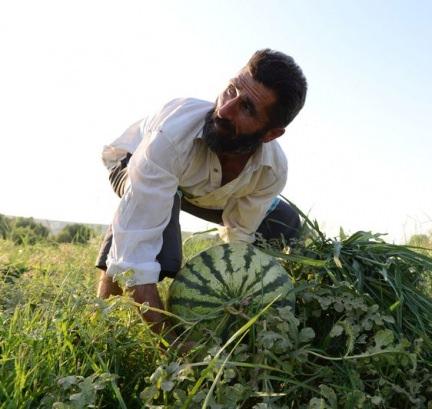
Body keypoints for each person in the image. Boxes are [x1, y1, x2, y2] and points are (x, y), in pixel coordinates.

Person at [95, 49, 307, 345]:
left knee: (284, 221)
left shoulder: (271, 170)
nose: (224, 109)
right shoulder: (170, 136)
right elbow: (135, 253)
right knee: (157, 240)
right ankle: (100, 321)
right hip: (132, 159)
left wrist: (235, 301)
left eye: (246, 108)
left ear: (270, 134)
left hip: (207, 191)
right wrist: (171, 342)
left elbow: (239, 240)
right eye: (230, 90)